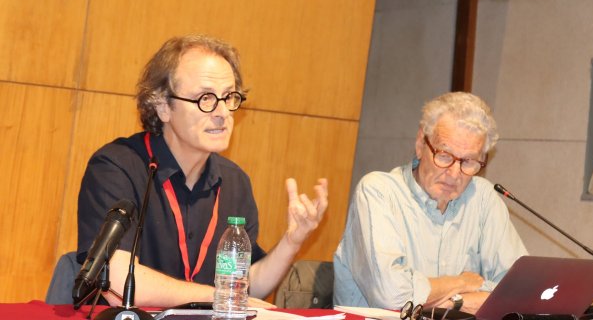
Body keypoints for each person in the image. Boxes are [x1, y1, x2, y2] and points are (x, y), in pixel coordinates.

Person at [77, 34, 328, 308]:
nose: (222, 112)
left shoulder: (235, 182)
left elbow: (244, 286)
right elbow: (116, 282)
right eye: (205, 98)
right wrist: (219, 297)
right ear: (163, 106)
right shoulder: (116, 167)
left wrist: (292, 241)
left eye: (229, 97)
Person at [333, 92, 527, 314]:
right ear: (420, 144)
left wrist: (450, 303)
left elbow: (521, 294)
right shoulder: (378, 193)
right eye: (444, 155)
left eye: (468, 162)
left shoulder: (483, 199)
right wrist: (462, 282)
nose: (454, 173)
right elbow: (393, 296)